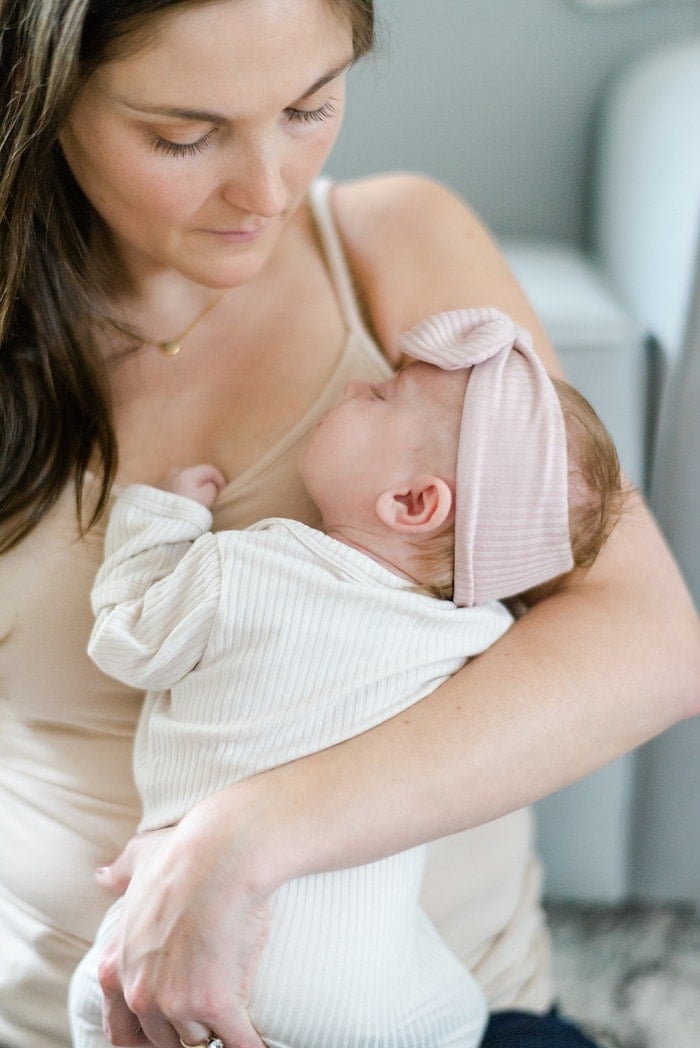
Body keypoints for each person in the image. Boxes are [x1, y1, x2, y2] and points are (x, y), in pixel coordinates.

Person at [0, 2, 698, 1047]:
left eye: (309, 105)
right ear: (46, 100)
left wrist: (248, 835)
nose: (267, 190)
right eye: (183, 136)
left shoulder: (391, 238)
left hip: (441, 1018)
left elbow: (648, 644)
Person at [69, 307, 624, 1048]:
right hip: (372, 1002)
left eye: (384, 398)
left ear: (414, 502)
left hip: (173, 943)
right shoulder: (481, 639)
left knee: (97, 1007)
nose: (362, 385)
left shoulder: (248, 570)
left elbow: (127, 637)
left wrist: (158, 519)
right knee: (459, 1020)